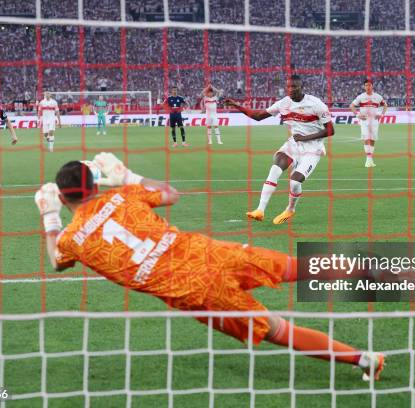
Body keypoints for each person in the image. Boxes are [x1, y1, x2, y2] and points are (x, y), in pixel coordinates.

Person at [34, 153, 385, 382]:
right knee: (293, 267)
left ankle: (364, 359)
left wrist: (50, 217)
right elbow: (170, 194)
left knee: (277, 329)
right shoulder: (123, 196)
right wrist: (126, 176)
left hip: (194, 291)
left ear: (63, 198)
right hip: (207, 253)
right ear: (96, 184)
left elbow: (56, 261)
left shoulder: (71, 238)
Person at [225, 74, 334, 224]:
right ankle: (260, 210)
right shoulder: (283, 103)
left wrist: (304, 138)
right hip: (294, 144)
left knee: (295, 182)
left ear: (302, 87)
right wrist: (236, 105)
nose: (290, 89)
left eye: (294, 86)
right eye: (288, 86)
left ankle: (290, 209)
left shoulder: (316, 104)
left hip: (313, 147)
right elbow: (258, 116)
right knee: (275, 168)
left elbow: (330, 130)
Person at [349, 79, 387, 168]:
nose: (368, 87)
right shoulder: (361, 97)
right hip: (364, 120)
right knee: (366, 138)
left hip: (374, 120)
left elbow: (385, 105)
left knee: (373, 139)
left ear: (372, 86)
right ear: (364, 86)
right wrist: (358, 115)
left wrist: (381, 114)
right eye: (366, 85)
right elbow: (352, 106)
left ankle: (370, 160)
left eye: (369, 85)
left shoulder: (378, 97)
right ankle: (368, 160)